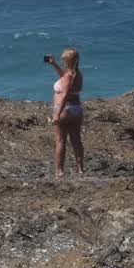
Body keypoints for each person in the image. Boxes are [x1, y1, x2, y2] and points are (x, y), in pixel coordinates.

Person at [44, 48, 85, 178]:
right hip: (76, 109)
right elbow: (64, 78)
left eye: (62, 59)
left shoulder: (68, 76)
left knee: (60, 141)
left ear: (67, 60)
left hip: (65, 109)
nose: (61, 61)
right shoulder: (77, 74)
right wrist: (54, 64)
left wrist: (57, 113)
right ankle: (80, 169)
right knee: (76, 140)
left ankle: (59, 171)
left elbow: (65, 94)